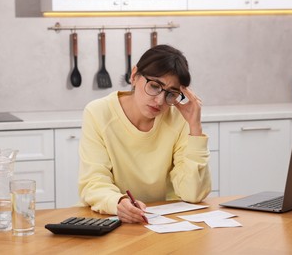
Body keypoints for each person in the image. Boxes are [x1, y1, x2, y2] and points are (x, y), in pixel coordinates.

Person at [78, 44, 211, 223]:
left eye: (172, 94)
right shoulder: (98, 113)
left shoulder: (179, 119)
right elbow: (93, 182)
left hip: (168, 222)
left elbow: (193, 193)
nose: (160, 100)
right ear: (134, 76)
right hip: (116, 220)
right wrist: (118, 202)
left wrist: (195, 129)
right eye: (155, 86)